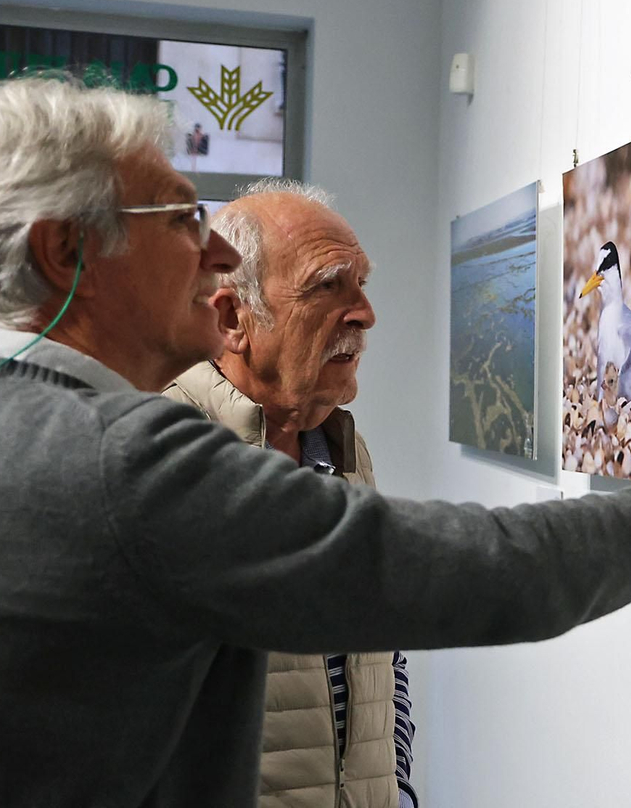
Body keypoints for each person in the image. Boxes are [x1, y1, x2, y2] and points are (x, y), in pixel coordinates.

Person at [0, 74, 631, 808]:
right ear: (66, 250)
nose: (214, 253)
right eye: (182, 217)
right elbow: (487, 571)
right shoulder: (126, 462)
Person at [164, 180, 415, 808]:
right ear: (232, 318)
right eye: (328, 285)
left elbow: (384, 651)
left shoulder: (344, 448)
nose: (364, 313)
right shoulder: (163, 450)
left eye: (361, 284)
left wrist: (398, 786)